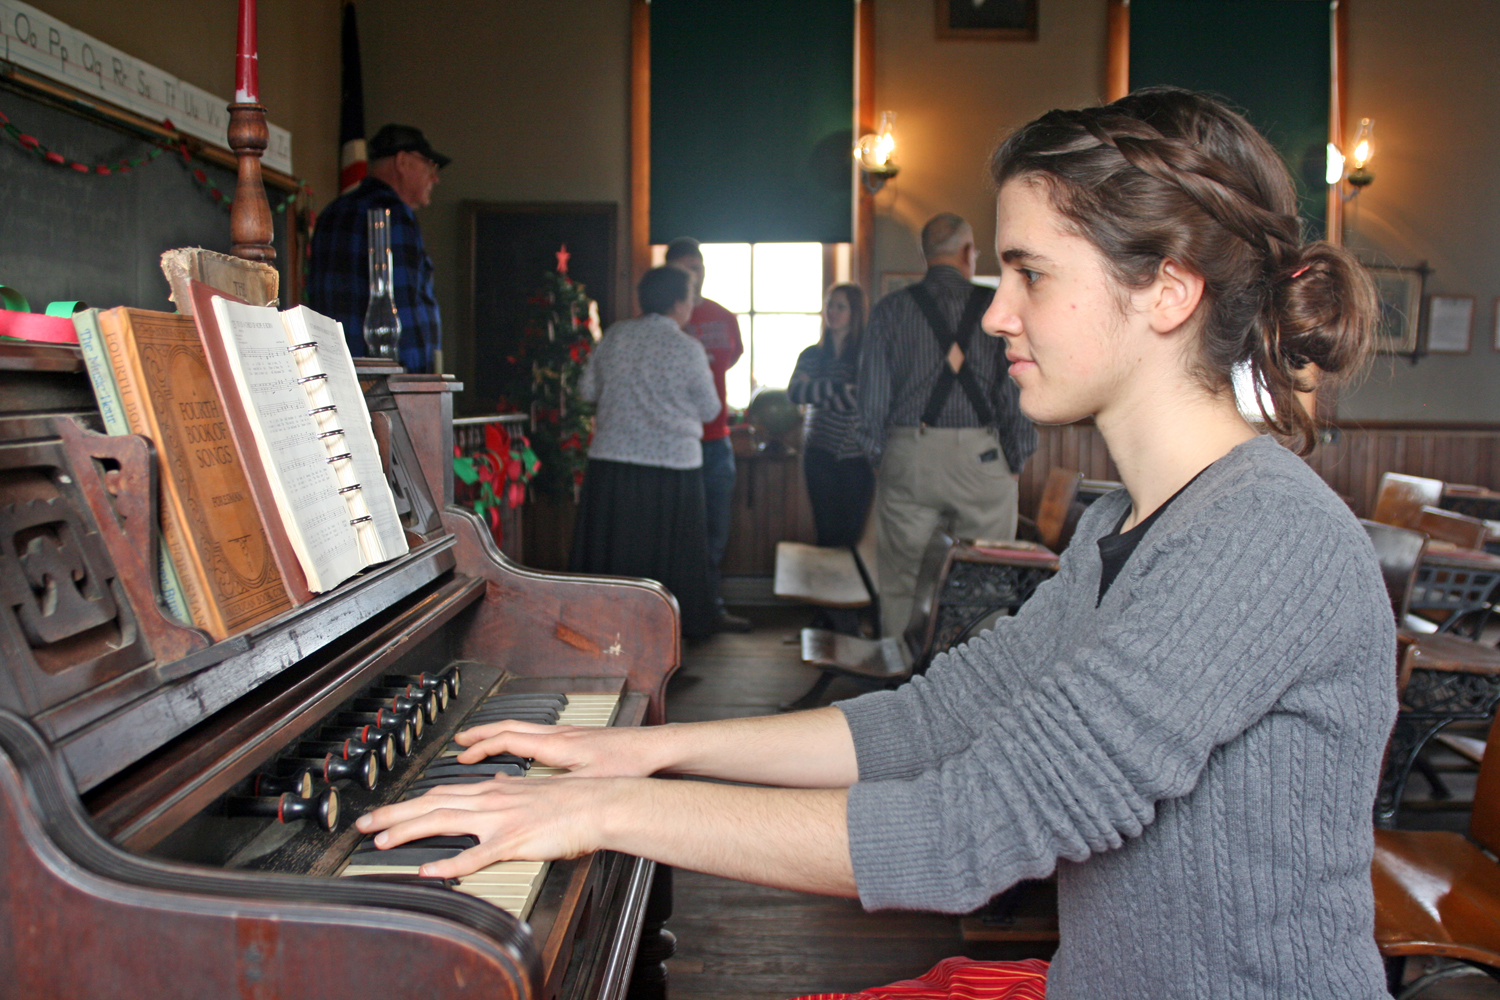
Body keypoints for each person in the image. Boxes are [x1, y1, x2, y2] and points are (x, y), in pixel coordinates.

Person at [357, 88, 1392, 999]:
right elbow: (936, 719)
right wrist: (646, 747)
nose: (997, 316)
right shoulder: (1129, 526)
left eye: (1031, 273)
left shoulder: (1263, 535)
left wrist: (610, 809)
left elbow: (970, 827)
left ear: (1169, 289)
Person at [855, 214, 1037, 637]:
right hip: (982, 456)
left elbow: (870, 404)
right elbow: (1014, 393)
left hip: (910, 453)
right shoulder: (996, 310)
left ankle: (902, 677)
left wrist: (883, 459)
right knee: (986, 581)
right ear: (967, 253)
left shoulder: (891, 310)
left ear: (925, 254)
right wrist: (1016, 458)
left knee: (903, 579)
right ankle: (975, 682)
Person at [568, 265, 722, 641]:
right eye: (690, 295)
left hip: (614, 464)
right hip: (674, 470)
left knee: (617, 557)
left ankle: (605, 636)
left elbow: (586, 391)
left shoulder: (616, 336)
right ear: (677, 302)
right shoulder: (688, 348)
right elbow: (710, 410)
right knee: (670, 564)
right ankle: (666, 644)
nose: (693, 303)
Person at [307, 123, 446, 373]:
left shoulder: (330, 214)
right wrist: (421, 385)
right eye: (430, 165)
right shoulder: (395, 215)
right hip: (387, 383)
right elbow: (404, 309)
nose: (435, 177)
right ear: (402, 161)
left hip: (333, 373)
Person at [664, 237, 752, 633]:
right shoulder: (662, 325)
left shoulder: (724, 317)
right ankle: (673, 619)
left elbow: (732, 359)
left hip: (718, 443)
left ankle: (711, 611)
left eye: (696, 268)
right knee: (675, 534)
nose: (691, 276)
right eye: (683, 269)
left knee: (716, 533)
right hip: (674, 446)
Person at [789, 284, 874, 549]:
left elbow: (862, 400)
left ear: (855, 312)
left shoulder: (867, 356)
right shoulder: (811, 355)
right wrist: (838, 388)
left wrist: (818, 391)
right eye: (830, 305)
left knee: (851, 535)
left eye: (841, 306)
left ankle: (848, 590)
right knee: (826, 531)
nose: (832, 312)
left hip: (857, 456)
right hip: (818, 454)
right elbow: (795, 393)